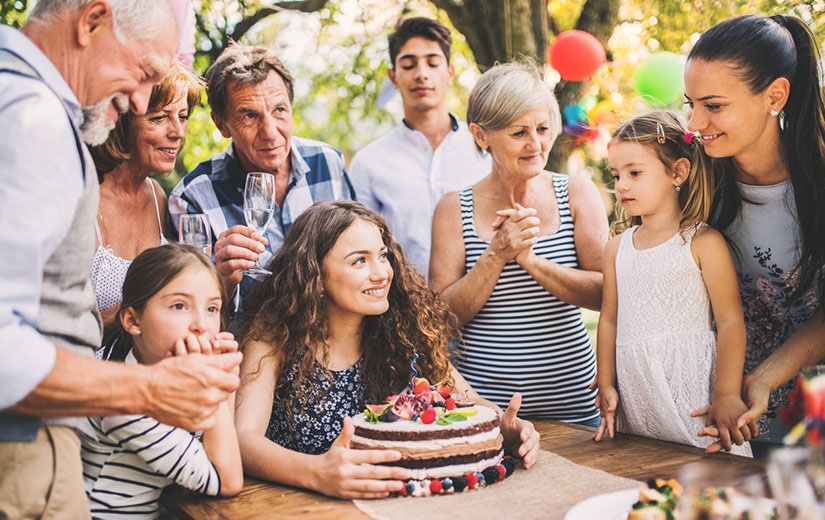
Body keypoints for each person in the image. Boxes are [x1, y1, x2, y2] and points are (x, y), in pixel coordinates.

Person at [0, 2, 241, 518]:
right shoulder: (31, 116)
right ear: (91, 20)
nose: (137, 100)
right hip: (23, 444)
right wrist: (148, 389)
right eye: (142, 73)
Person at [234, 200, 539, 499]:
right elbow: (244, 440)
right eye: (359, 261)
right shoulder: (273, 338)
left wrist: (506, 426)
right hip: (296, 506)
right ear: (315, 274)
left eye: (383, 256)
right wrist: (316, 472)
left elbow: (468, 400)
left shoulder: (405, 332)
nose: (382, 273)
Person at [429, 62, 608, 424]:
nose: (535, 144)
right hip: (485, 410)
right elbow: (440, 317)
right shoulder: (453, 208)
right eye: (518, 133)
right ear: (481, 135)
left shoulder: (575, 193)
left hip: (576, 405)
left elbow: (607, 294)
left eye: (542, 129)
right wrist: (496, 254)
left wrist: (531, 260)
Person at [684, 14, 825, 456]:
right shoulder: (691, 178)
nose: (694, 120)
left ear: (775, 96)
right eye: (689, 102)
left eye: (713, 105)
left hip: (812, 422)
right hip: (715, 420)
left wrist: (764, 376)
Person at [591, 111, 751, 457]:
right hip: (639, 394)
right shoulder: (617, 247)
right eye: (616, 174)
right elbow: (609, 319)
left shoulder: (703, 242)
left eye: (634, 173)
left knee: (710, 484)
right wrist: (606, 381)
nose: (621, 185)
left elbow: (730, 322)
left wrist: (726, 394)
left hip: (692, 390)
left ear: (677, 172)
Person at [168, 42, 356, 310]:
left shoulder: (328, 163)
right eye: (249, 115)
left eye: (279, 110)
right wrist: (224, 279)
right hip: (251, 344)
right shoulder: (193, 197)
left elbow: (362, 251)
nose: (269, 131)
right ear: (221, 124)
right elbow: (189, 309)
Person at [81, 243, 243, 518]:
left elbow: (223, 450)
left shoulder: (178, 386)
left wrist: (224, 382)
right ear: (133, 320)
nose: (201, 325)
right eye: (179, 306)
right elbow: (227, 480)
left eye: (212, 308)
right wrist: (215, 384)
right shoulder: (125, 402)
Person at [348, 17, 490, 278]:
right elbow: (357, 246)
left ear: (449, 72)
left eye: (433, 63)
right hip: (401, 310)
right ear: (393, 76)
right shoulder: (368, 162)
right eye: (409, 64)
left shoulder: (486, 149)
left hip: (488, 310)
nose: (421, 73)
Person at [90, 60, 203, 347]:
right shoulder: (84, 198)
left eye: (183, 116)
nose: (178, 132)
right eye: (160, 118)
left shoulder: (157, 196)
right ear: (121, 122)